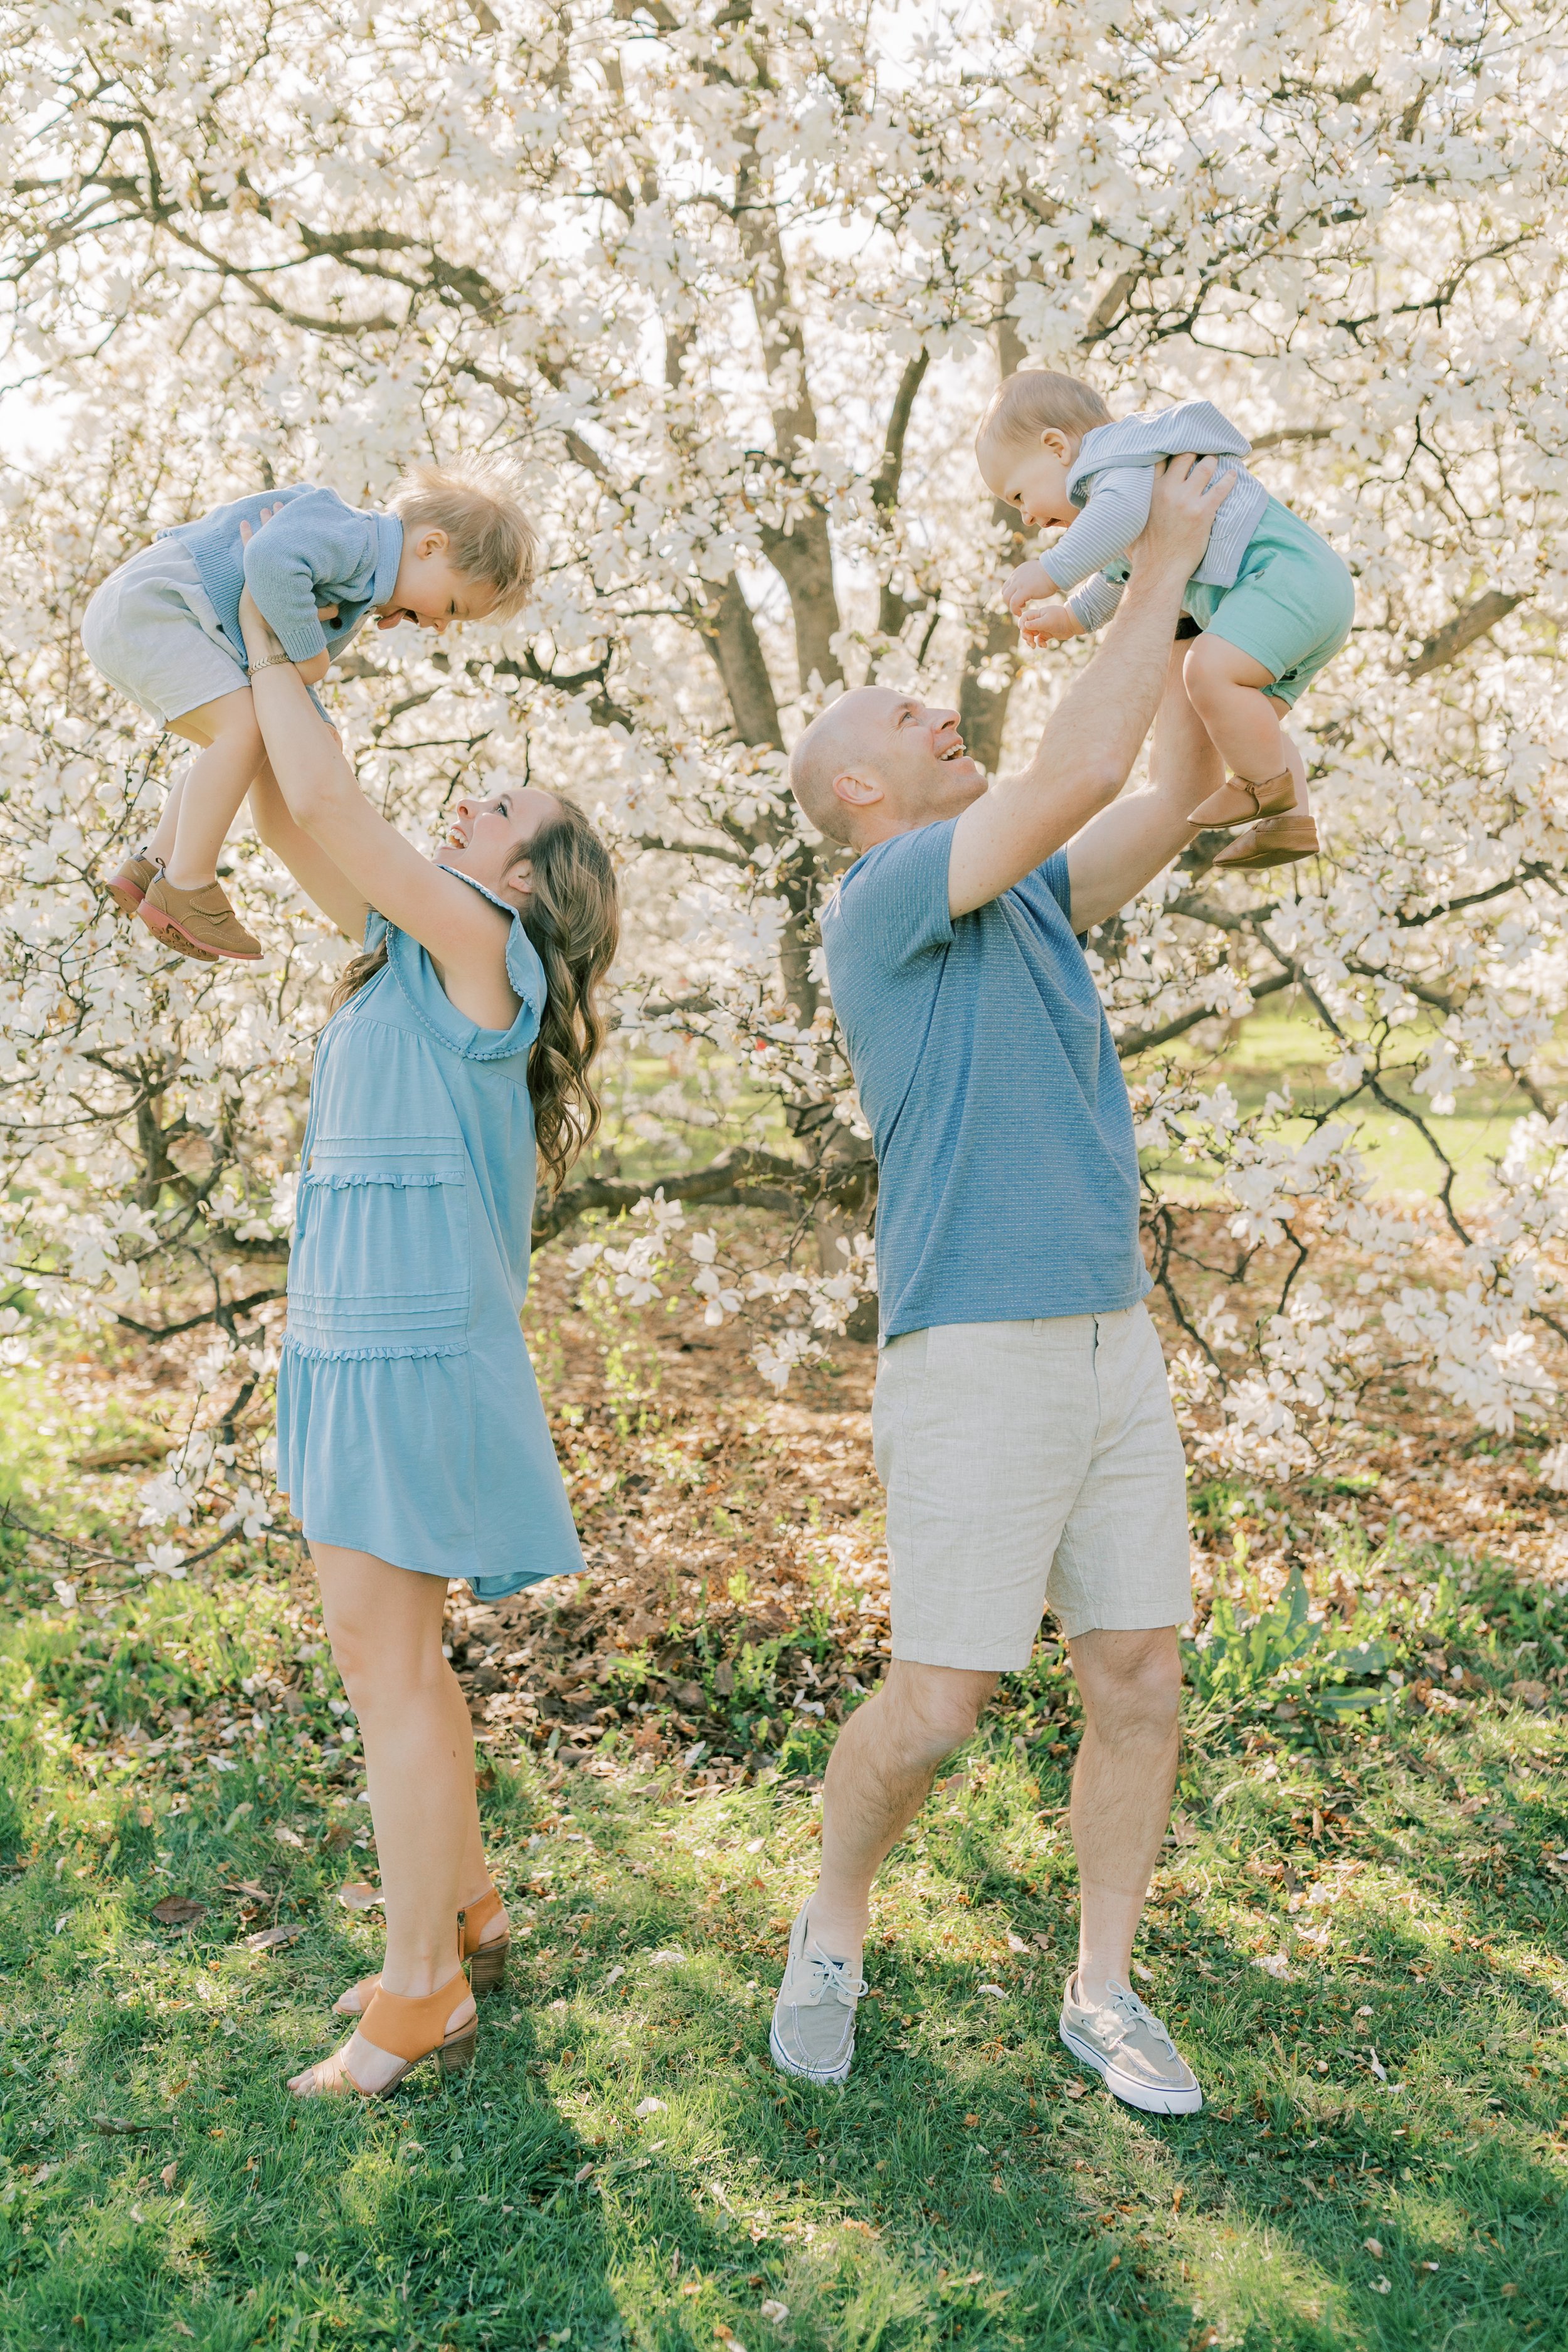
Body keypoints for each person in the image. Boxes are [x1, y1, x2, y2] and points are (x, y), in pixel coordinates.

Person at [773, 454, 1237, 2118]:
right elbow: (1083, 755)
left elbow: (1164, 788)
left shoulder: (1026, 890)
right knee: (942, 1699)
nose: (933, 707)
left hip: (1110, 1338)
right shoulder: (885, 897)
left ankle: (1101, 1985)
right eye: (899, 713)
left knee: (1138, 1676)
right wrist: (1157, 544)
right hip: (973, 1348)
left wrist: (1196, 621)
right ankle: (833, 1918)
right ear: (858, 796)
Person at [230, 555, 618, 2099]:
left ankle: (419, 1992)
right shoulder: (410, 945)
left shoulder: (487, 955)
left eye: (495, 812)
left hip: (407, 1353)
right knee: (391, 1655)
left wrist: (265, 625)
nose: (465, 810)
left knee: (388, 1668)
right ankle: (461, 1906)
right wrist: (257, 693)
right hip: (350, 1340)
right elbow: (283, 810)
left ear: (533, 879)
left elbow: (330, 809)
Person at [83, 465, 537, 960]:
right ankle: (188, 883)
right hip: (158, 608)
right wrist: (314, 661)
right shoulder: (353, 536)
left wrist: (315, 720)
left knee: (249, 740)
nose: (440, 626)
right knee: (247, 733)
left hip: (161, 619)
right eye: (451, 606)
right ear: (430, 546)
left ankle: (154, 864)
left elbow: (274, 651)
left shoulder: (358, 581)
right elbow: (270, 562)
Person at [976, 370, 1355, 871]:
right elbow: (1116, 583)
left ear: (1056, 447)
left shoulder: (1117, 461)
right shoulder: (1119, 502)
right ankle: (1289, 823)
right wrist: (1068, 619)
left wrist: (1051, 570)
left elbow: (1117, 520)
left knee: (1205, 670)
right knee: (1245, 713)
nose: (1025, 517)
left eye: (1019, 496)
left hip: (1288, 578)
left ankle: (1261, 786)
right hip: (1296, 594)